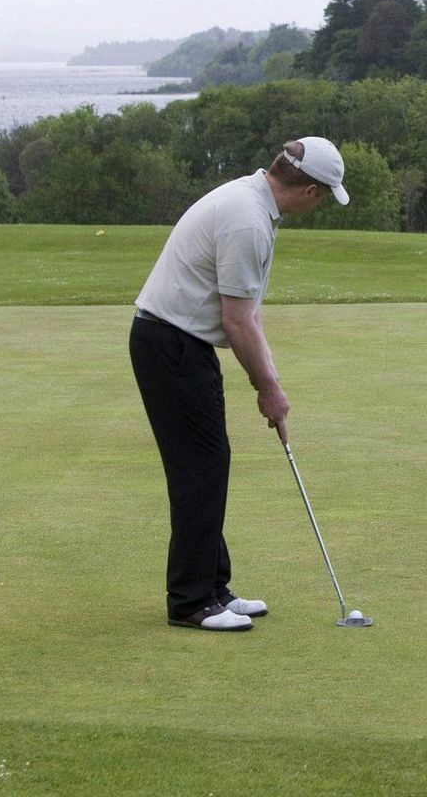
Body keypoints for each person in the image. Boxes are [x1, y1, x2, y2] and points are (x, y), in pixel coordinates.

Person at [129, 137, 349, 631]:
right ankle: (190, 600)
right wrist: (268, 390)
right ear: (311, 191)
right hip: (170, 343)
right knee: (199, 468)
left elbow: (248, 314)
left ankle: (213, 588)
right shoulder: (248, 220)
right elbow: (237, 321)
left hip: (180, 343)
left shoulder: (251, 202)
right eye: (323, 198)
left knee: (208, 462)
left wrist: (269, 378)